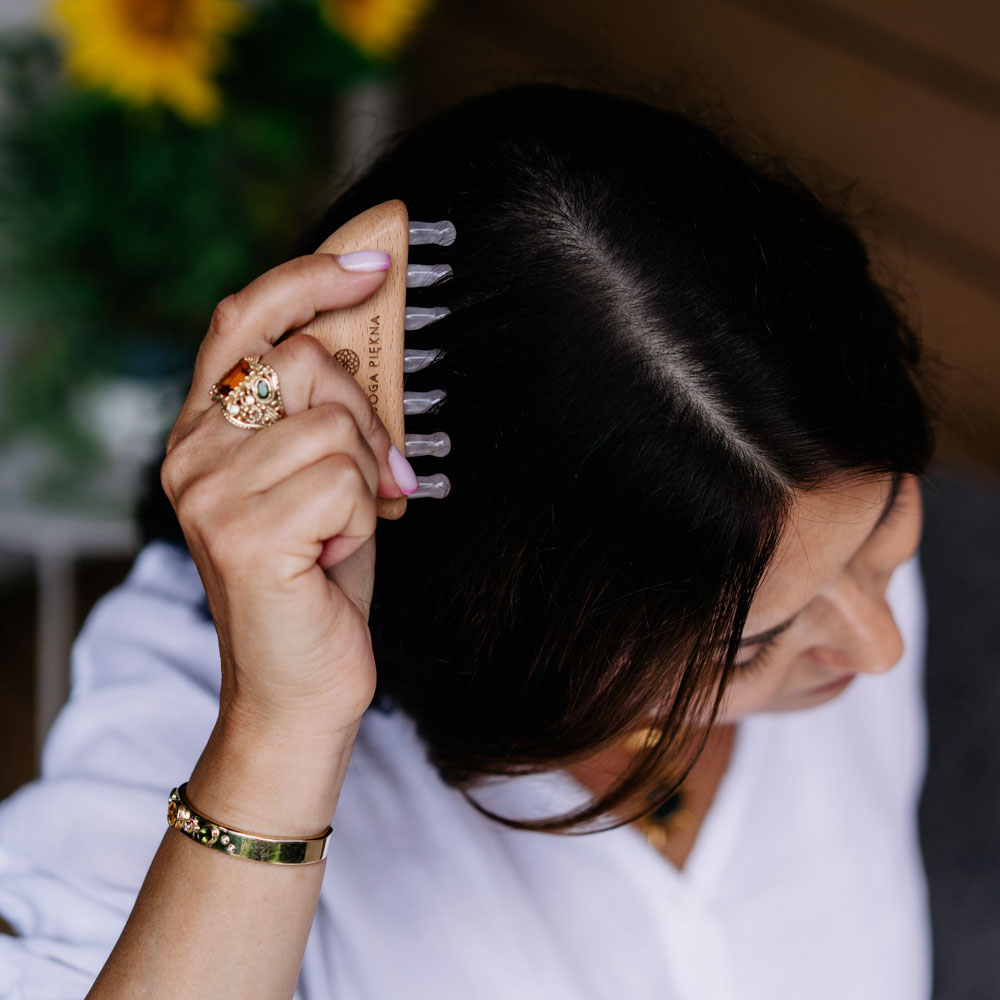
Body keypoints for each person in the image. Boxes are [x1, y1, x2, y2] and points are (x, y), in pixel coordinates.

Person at [0, 84, 934, 999]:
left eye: (889, 524)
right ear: (506, 627)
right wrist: (283, 731)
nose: (880, 645)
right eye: (748, 648)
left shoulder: (815, 527)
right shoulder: (176, 713)